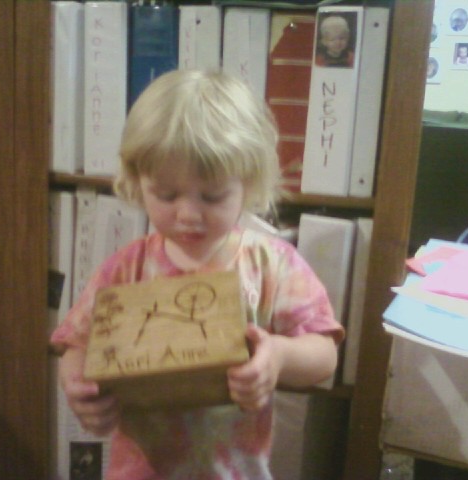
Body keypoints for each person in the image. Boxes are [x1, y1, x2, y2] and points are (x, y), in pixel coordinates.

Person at [51, 69, 344, 479]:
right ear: (138, 181)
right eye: (166, 194)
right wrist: (79, 388)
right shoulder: (126, 268)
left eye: (212, 196)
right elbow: (76, 345)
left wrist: (278, 357)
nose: (188, 214)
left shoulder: (270, 264)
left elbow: (325, 353)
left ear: (248, 183)